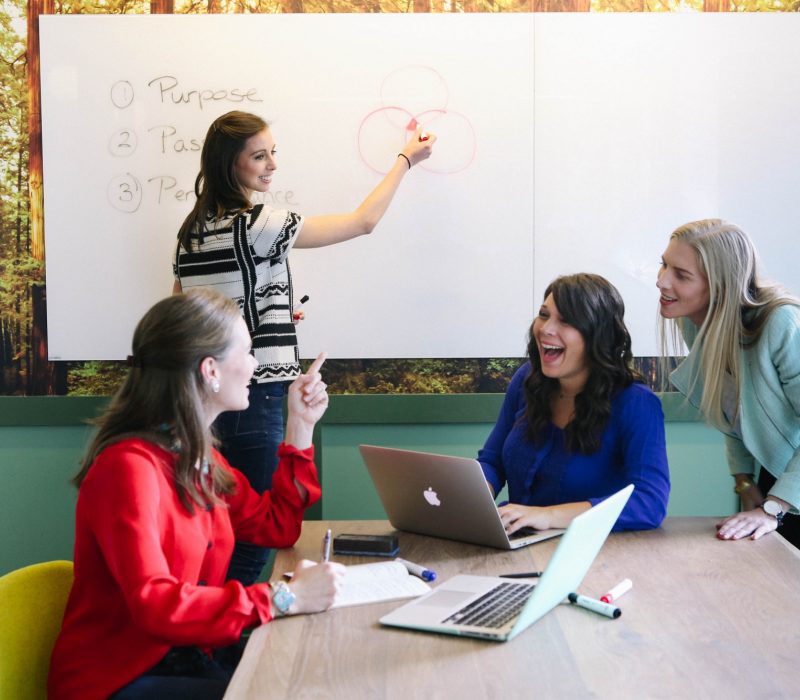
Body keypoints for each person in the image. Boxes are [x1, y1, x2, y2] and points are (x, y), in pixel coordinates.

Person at [173, 110, 435, 586]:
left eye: (273, 153)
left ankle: (209, 616)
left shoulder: (191, 232)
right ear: (231, 164)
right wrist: (406, 159)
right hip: (256, 396)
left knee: (215, 530)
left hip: (203, 398)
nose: (272, 164)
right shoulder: (257, 223)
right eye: (259, 156)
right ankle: (225, 627)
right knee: (255, 542)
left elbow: (184, 312)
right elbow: (363, 221)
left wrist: (266, 316)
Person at [48, 288, 345, 700]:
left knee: (307, 676)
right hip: (118, 681)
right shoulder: (128, 467)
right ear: (210, 370)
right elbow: (155, 604)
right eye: (247, 352)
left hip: (186, 658)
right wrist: (285, 597)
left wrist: (301, 423)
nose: (255, 365)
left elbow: (277, 526)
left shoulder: (199, 458)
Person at [478, 273, 670, 534]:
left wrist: (548, 516)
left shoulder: (636, 403)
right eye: (544, 315)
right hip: (517, 542)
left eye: (566, 320)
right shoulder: (526, 379)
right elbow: (493, 461)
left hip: (596, 550)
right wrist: (472, 497)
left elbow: (649, 502)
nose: (545, 329)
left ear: (597, 335)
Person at [657, 219, 800, 547]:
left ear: (721, 285)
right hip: (778, 475)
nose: (661, 281)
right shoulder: (695, 321)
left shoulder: (780, 323)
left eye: (681, 275)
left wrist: (774, 507)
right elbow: (733, 408)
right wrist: (744, 481)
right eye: (663, 265)